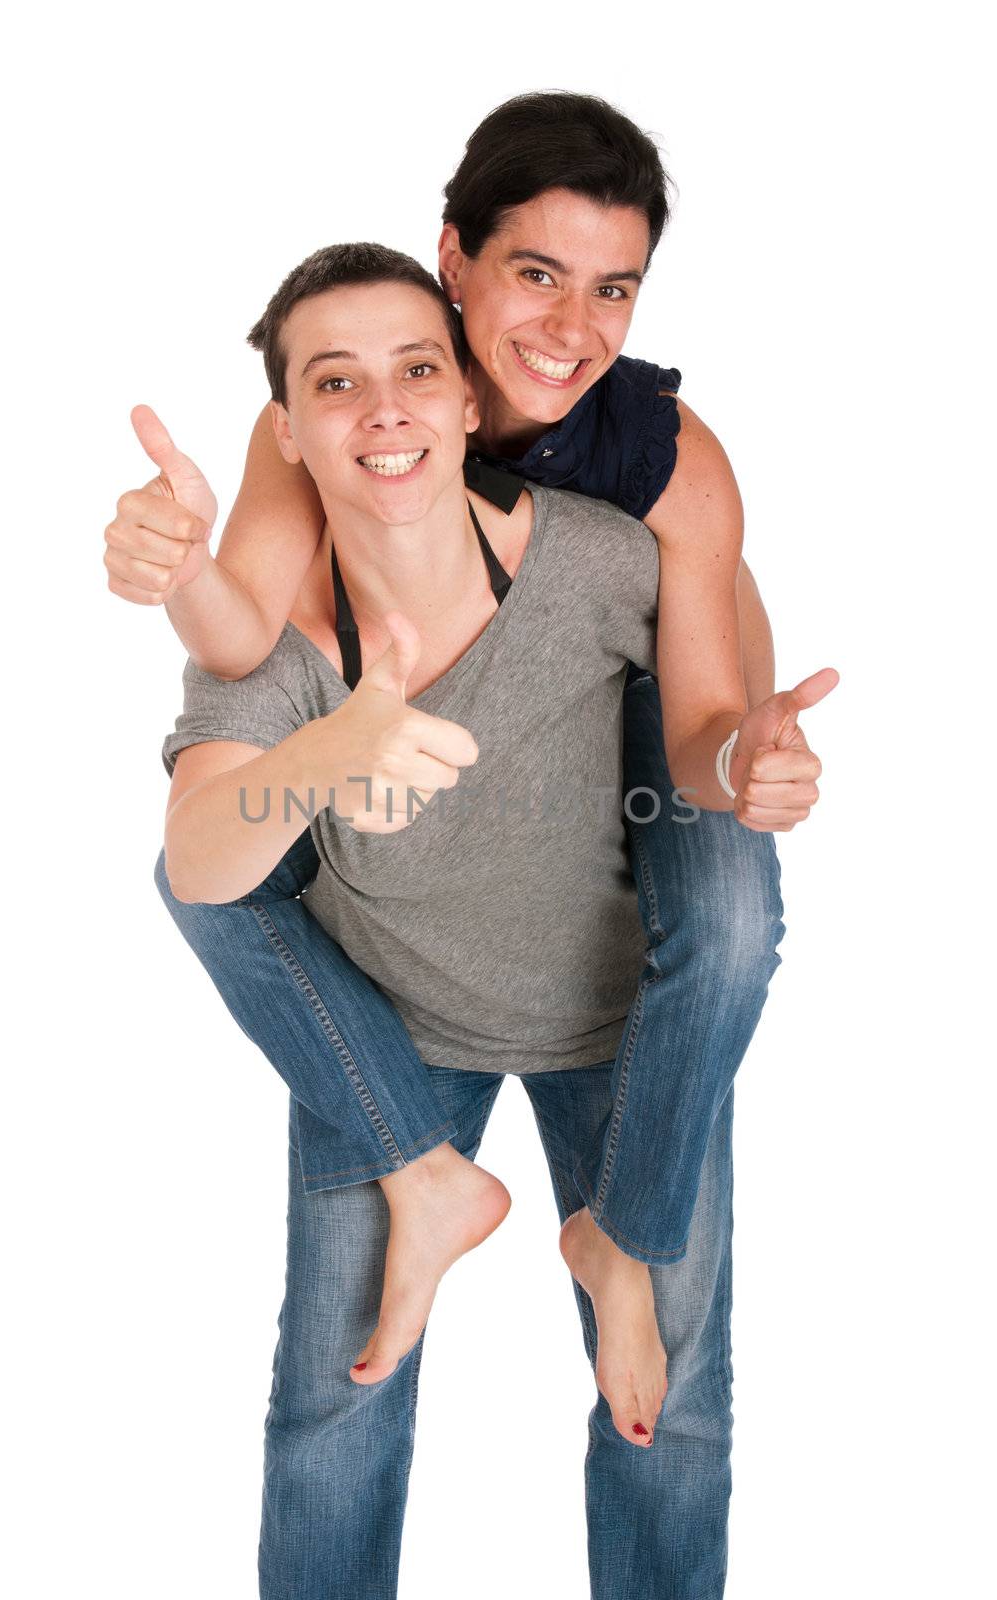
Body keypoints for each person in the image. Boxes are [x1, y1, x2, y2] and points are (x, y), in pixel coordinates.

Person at [153, 241, 833, 1596]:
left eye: (417, 369)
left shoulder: (597, 560)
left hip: (621, 1033)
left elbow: (708, 696)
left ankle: (606, 1244)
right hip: (398, 1037)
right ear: (287, 433)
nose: (386, 408)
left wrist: (751, 750)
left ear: (468, 399)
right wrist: (324, 751)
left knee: (672, 1413)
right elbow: (197, 865)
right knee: (334, 1398)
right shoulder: (281, 638)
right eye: (336, 384)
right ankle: (425, 1172)